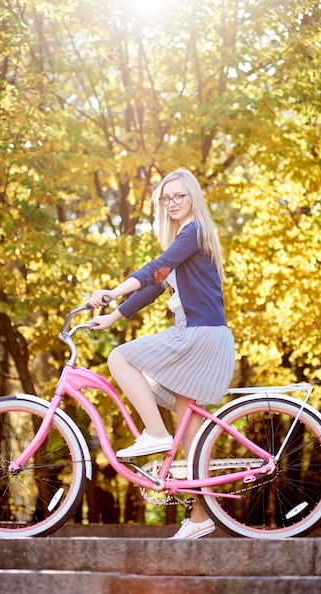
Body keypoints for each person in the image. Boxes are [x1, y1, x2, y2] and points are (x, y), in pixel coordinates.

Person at [89, 168, 235, 539]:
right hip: (207, 336)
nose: (172, 203)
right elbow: (153, 288)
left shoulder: (194, 232)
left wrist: (111, 291)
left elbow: (154, 271)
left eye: (179, 196)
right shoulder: (186, 241)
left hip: (198, 336)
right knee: (192, 437)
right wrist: (113, 316)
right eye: (166, 198)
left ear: (193, 199)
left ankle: (155, 433)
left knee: (119, 358)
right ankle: (201, 516)